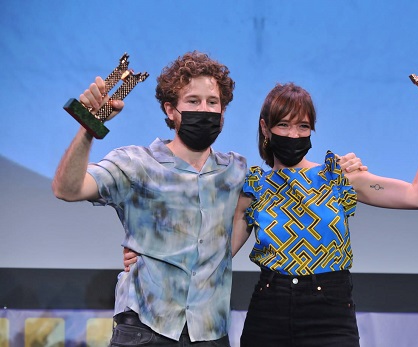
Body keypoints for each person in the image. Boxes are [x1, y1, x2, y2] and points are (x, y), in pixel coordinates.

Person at [53, 51, 366, 346]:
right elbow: (67, 189)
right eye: (193, 100)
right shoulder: (136, 163)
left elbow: (287, 178)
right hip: (146, 329)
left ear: (222, 111)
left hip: (209, 334)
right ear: (170, 109)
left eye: (212, 102)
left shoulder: (237, 172)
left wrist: (343, 165)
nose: (203, 110)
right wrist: (88, 129)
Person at [229, 82, 418, 347]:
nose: (294, 135)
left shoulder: (338, 177)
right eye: (284, 125)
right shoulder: (255, 187)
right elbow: (218, 257)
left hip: (330, 314)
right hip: (269, 313)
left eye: (303, 126)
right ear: (265, 128)